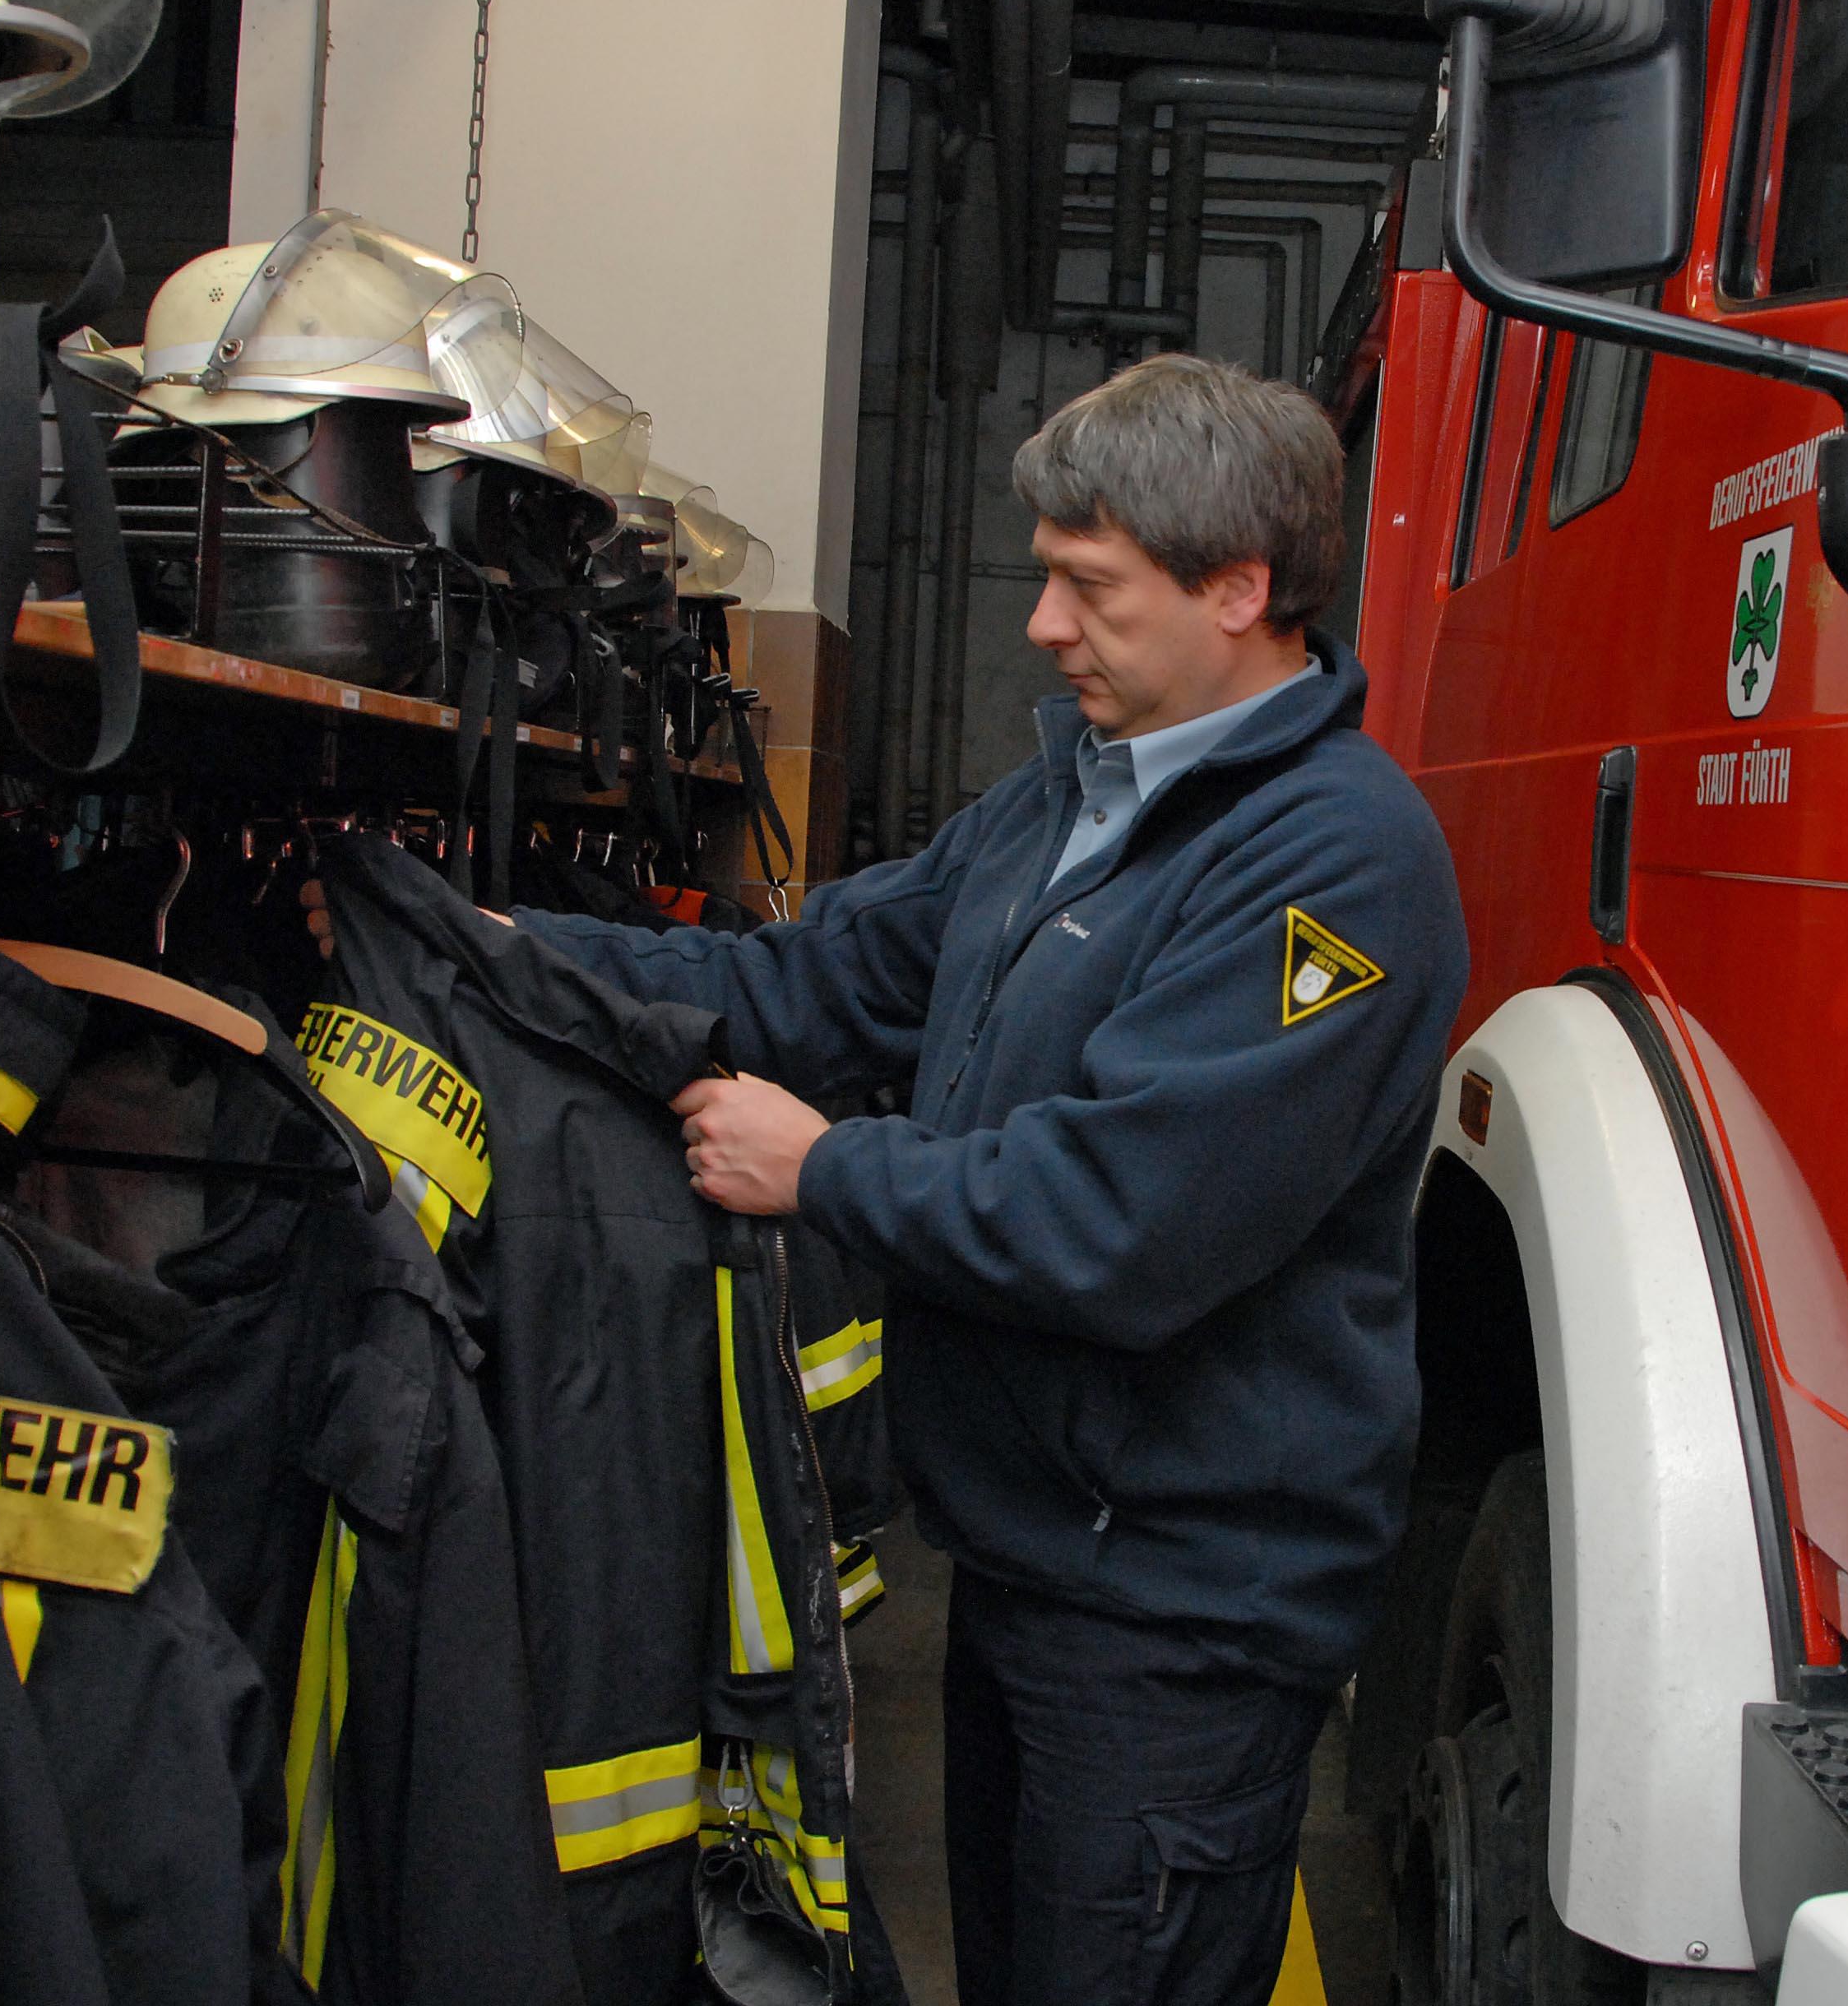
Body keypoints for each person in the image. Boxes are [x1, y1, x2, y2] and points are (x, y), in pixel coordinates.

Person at [331, 353, 1466, 2004]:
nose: (1042, 629)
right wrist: (495, 952)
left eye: (1088, 588)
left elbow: (1121, 1224)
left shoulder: (1337, 863)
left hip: (1177, 1619)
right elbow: (821, 981)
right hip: (1028, 1559)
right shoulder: (1065, 803)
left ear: (1240, 590)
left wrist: (823, 1168)